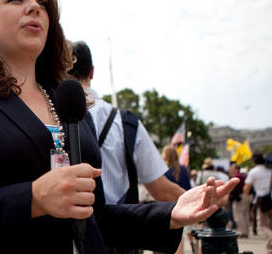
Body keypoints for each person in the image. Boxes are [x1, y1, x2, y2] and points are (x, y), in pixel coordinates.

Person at [0, 0, 239, 253]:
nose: (34, 7)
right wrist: (32, 198)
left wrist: (169, 213)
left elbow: (94, 216)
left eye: (43, 3)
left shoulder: (70, 103)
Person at [69, 41, 186, 204]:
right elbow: (162, 190)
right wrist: (203, 202)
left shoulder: (47, 115)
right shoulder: (125, 122)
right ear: (92, 72)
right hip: (114, 225)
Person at [244, 153, 272, 254]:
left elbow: (247, 188)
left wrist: (246, 195)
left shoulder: (254, 172)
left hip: (262, 202)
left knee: (262, 226)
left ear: (254, 162)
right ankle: (270, 250)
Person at [161, 144, 193, 254]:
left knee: (175, 236)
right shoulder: (185, 169)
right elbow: (189, 186)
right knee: (189, 233)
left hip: (169, 206)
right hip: (185, 202)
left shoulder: (163, 171)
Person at [229, 163, 251, 238]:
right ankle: (246, 231)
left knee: (239, 215)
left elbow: (232, 188)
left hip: (239, 197)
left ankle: (243, 232)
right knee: (245, 214)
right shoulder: (243, 175)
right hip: (246, 196)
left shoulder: (236, 176)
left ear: (235, 169)